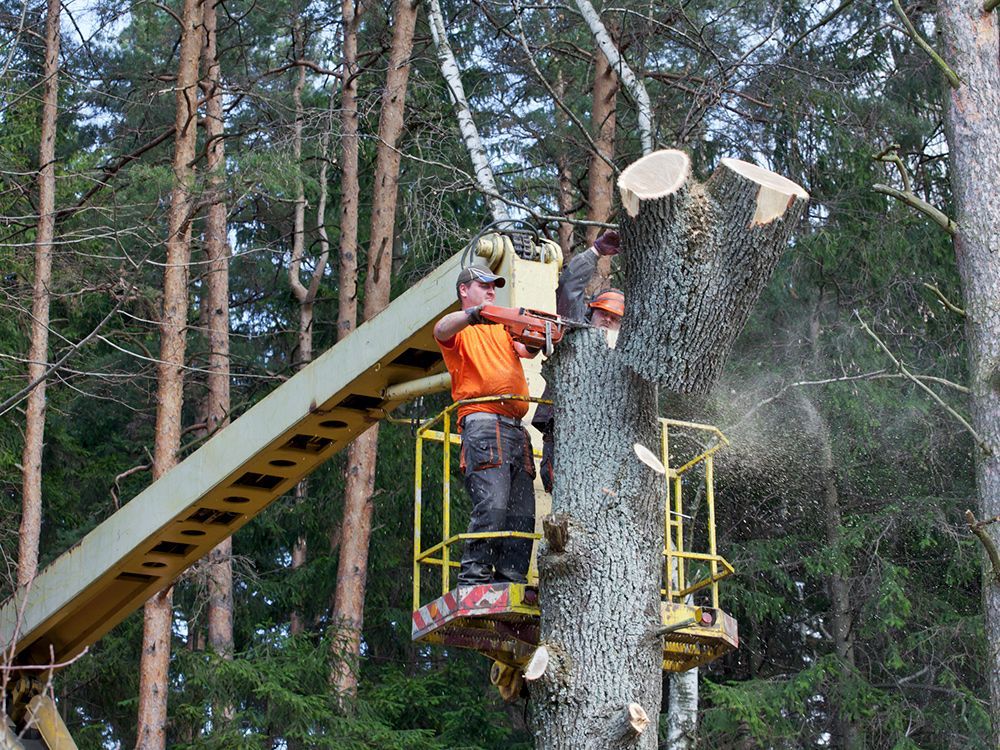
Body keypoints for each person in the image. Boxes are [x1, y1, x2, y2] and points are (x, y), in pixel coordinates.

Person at [434, 265, 539, 586]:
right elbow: (441, 329)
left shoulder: (502, 329)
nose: (492, 290)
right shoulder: (460, 329)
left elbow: (526, 350)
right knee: (492, 504)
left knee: (522, 510)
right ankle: (474, 577)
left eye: (494, 286)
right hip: (483, 423)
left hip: (515, 427)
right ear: (464, 290)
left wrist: (536, 337)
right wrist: (474, 314)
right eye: (484, 285)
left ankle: (511, 576)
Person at [532, 231, 624, 492]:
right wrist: (595, 252)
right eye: (603, 313)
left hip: (604, 440)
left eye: (614, 318)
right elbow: (569, 287)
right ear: (590, 311)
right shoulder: (574, 331)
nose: (607, 320)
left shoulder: (624, 356)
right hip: (564, 433)